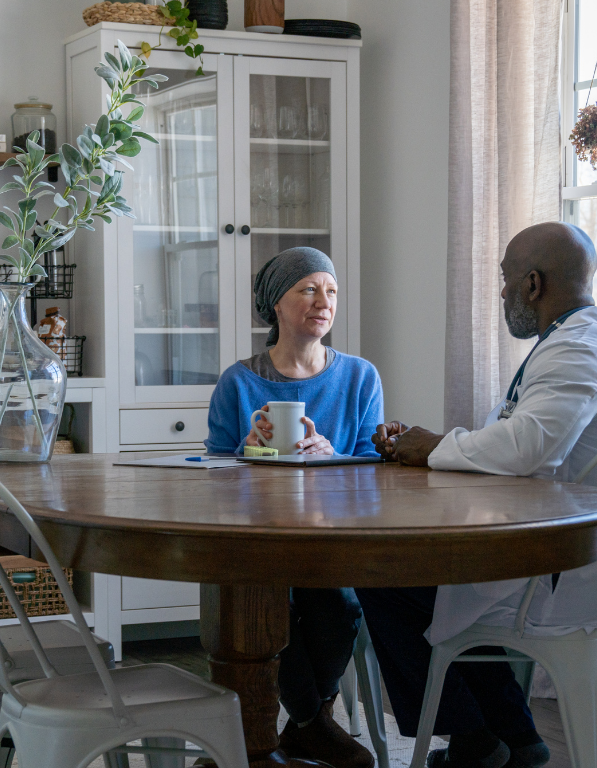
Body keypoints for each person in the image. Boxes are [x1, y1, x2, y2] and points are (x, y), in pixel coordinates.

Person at [360, 222, 597, 768]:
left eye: (507, 280)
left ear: (534, 284)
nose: (504, 293)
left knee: (384, 577)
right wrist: (432, 445)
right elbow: (519, 436)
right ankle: (517, 738)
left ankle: (473, 742)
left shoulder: (576, 352)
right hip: (583, 555)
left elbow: (525, 449)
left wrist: (437, 445)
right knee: (431, 587)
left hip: (569, 570)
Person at [204, 246, 383, 768]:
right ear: (275, 305)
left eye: (330, 291)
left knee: (340, 606)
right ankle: (314, 726)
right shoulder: (239, 381)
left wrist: (332, 454)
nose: (322, 301)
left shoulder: (359, 377)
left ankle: (303, 727)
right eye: (307, 289)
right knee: (263, 610)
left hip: (330, 539)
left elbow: (374, 468)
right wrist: (249, 449)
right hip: (253, 539)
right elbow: (212, 473)